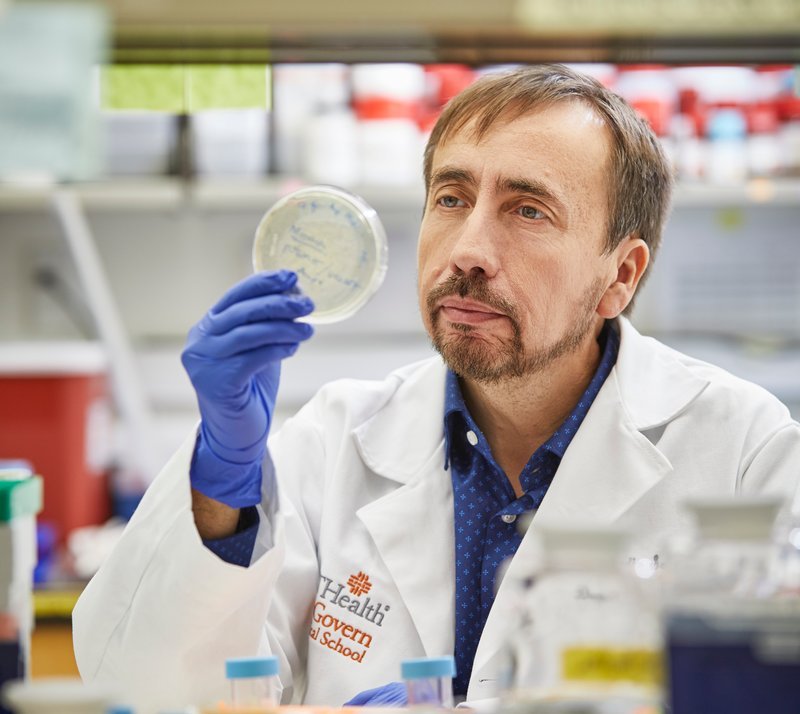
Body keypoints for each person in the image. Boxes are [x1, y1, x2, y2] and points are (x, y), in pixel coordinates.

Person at [72, 64, 800, 713]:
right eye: (451, 198)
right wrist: (220, 481)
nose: (469, 251)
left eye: (528, 210)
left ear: (621, 276)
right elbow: (150, 689)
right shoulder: (331, 442)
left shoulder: (744, 452)